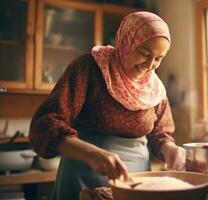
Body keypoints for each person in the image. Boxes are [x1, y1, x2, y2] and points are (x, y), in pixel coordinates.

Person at [29, 11, 185, 200]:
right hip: (82, 176)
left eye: (159, 58)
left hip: (136, 184)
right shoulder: (90, 69)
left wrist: (169, 148)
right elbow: (44, 125)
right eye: (145, 53)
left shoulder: (154, 88)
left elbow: (160, 134)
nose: (150, 64)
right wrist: (90, 153)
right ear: (127, 42)